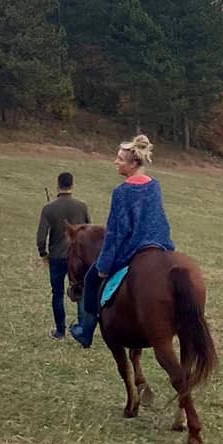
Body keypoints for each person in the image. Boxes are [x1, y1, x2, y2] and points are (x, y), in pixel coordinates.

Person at [69, 134, 175, 349]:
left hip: (132, 250)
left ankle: (85, 331)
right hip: (161, 246)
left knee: (90, 281)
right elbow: (160, 219)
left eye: (120, 159)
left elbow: (116, 232)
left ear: (133, 163)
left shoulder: (122, 191)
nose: (115, 162)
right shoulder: (155, 185)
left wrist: (104, 265)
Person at [36, 172, 89, 340]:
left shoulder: (49, 208)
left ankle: (60, 331)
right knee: (80, 291)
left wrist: (44, 254)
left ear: (58, 184)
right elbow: (88, 230)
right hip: (78, 257)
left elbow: (41, 238)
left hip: (57, 257)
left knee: (57, 293)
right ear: (72, 185)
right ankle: (82, 329)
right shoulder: (82, 206)